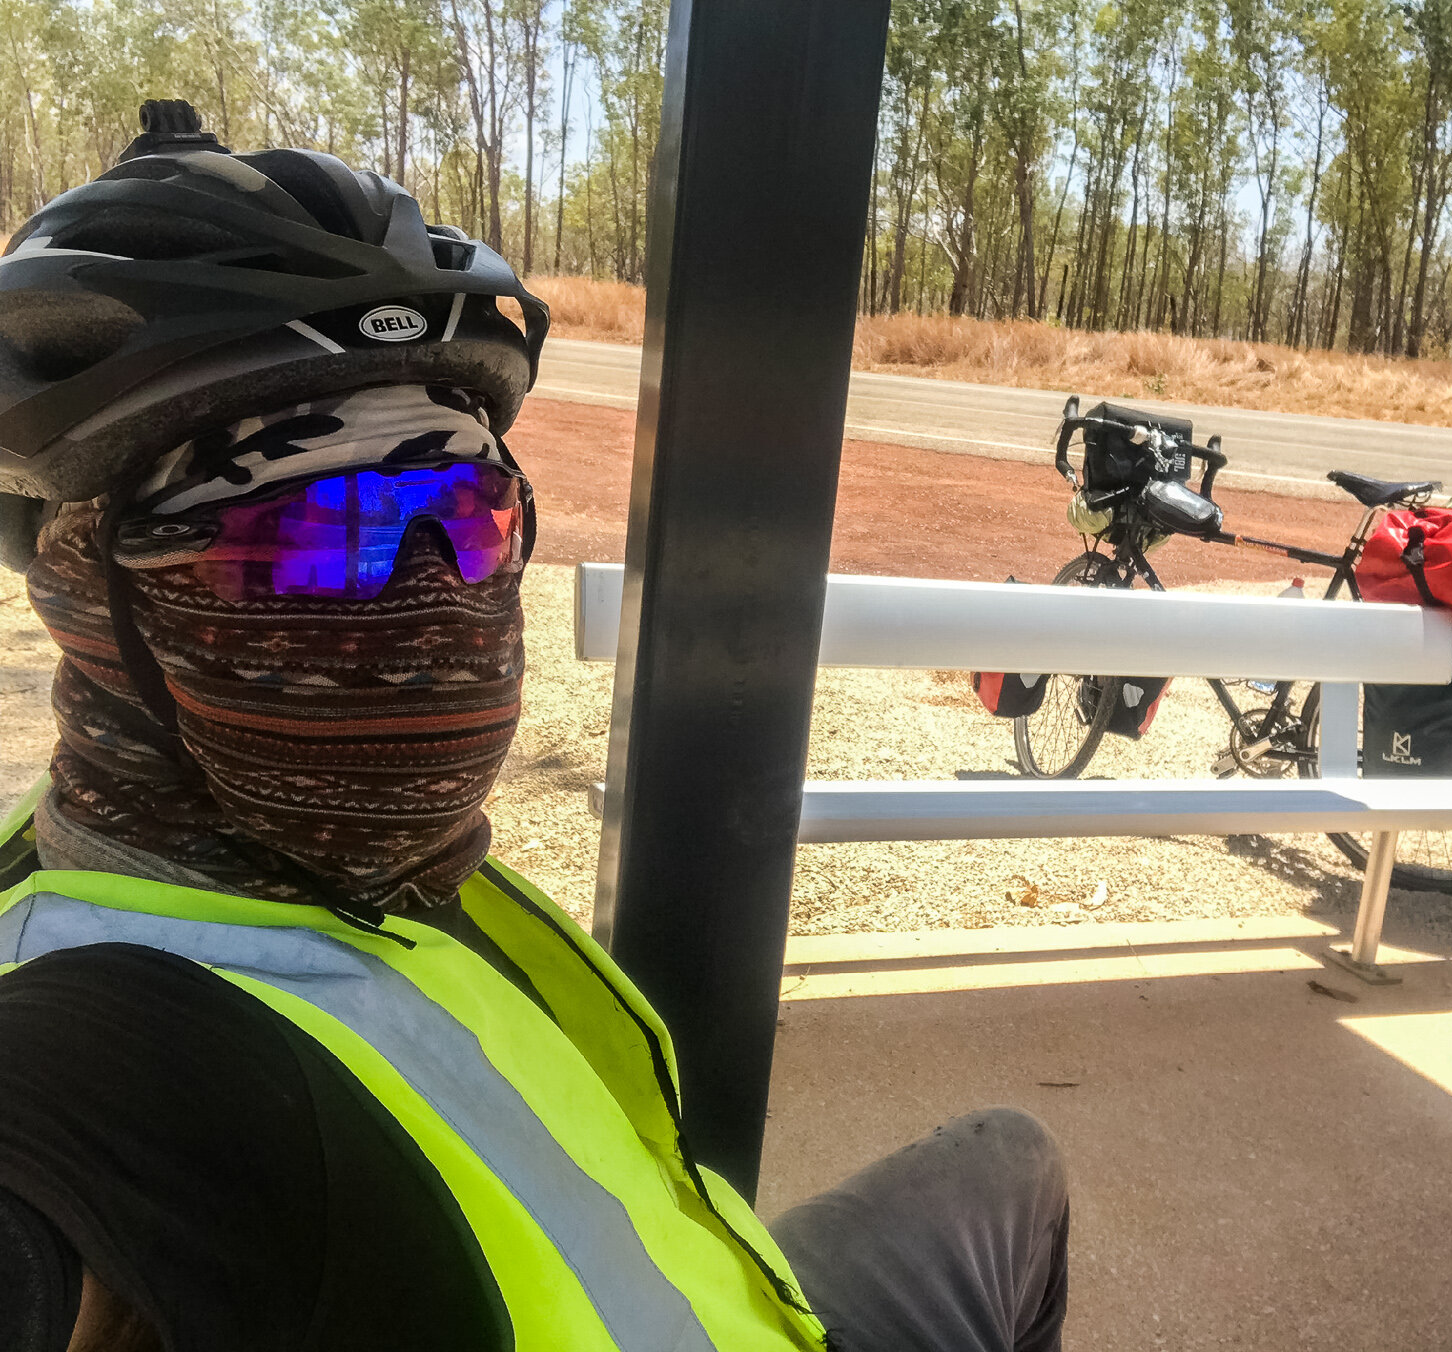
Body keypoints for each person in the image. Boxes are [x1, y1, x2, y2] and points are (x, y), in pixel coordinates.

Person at [0, 102, 1070, 1351]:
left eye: (476, 514)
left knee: (1015, 1172)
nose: (438, 595)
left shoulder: (368, 871)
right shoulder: (95, 1068)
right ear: (91, 597)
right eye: (310, 537)